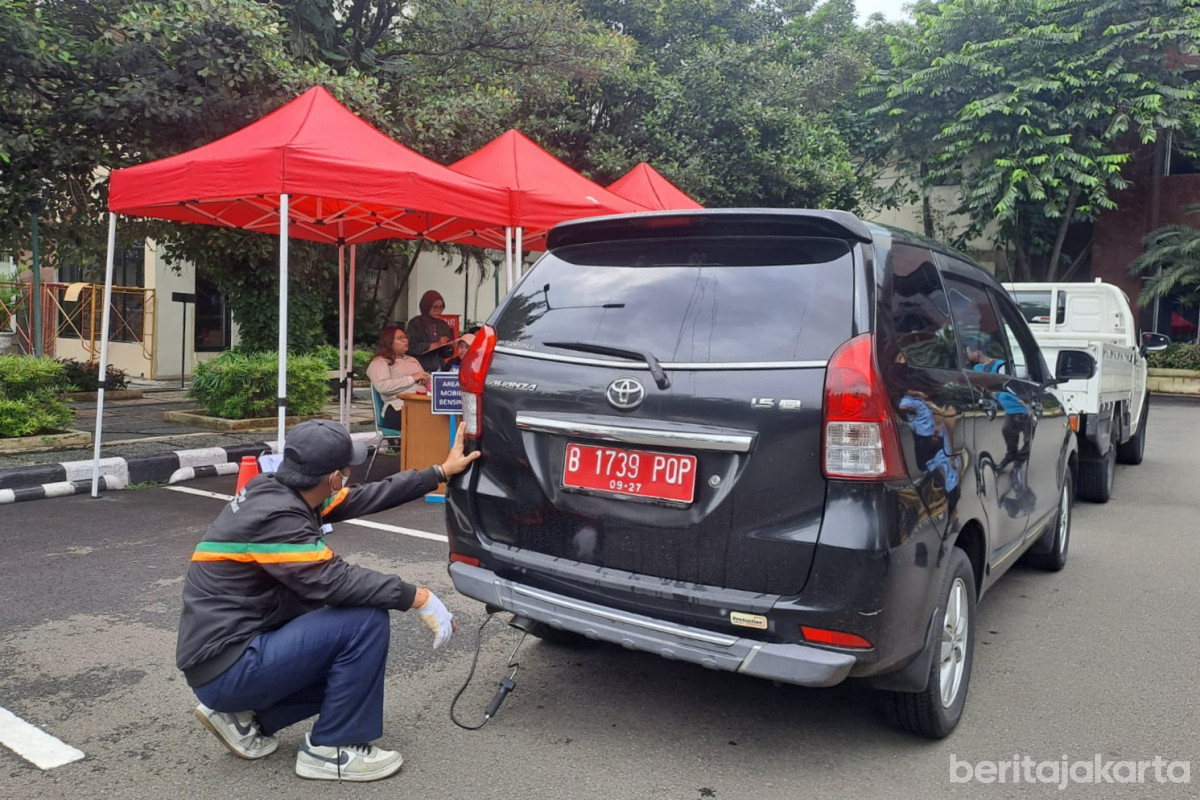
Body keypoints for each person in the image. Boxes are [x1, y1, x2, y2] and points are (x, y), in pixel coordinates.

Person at [177, 419, 480, 782]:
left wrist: (439, 472)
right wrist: (419, 597)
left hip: (225, 657)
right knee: (364, 621)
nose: (348, 479)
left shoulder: (277, 489)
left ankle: (246, 719)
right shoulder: (277, 518)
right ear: (334, 476)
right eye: (346, 471)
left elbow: (367, 496)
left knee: (346, 654)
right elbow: (334, 581)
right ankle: (332, 749)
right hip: (229, 666)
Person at [367, 326, 429, 429]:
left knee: (444, 418)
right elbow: (382, 386)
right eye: (400, 338)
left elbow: (425, 377)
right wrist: (412, 378)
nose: (405, 341)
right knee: (426, 423)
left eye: (405, 337)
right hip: (398, 407)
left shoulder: (412, 359)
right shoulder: (380, 362)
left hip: (423, 404)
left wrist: (427, 379)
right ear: (389, 342)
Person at [406, 291, 455, 372]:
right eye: (435, 307)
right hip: (419, 368)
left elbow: (445, 354)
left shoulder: (443, 325)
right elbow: (411, 347)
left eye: (441, 307)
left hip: (438, 368)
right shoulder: (416, 323)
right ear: (426, 306)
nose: (438, 310)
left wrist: (450, 346)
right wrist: (435, 344)